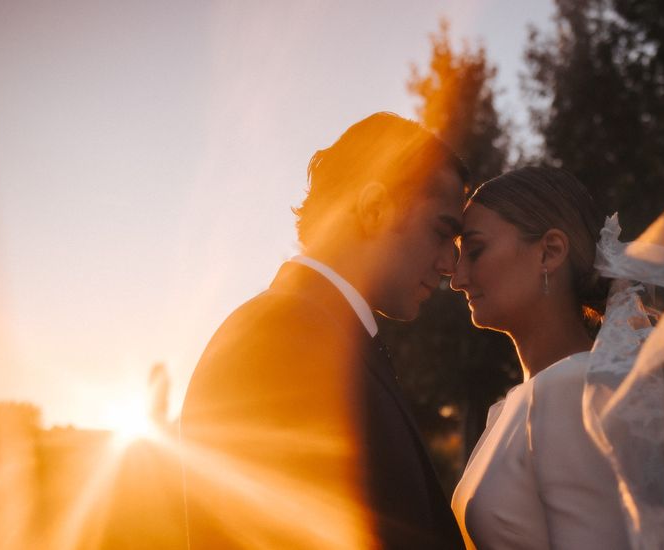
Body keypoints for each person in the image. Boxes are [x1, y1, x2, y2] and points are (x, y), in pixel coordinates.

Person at [180, 112, 468, 549]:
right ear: (373, 209)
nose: (450, 264)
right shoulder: (281, 337)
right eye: (441, 231)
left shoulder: (320, 333)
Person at [449, 166, 631, 550]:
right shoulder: (512, 407)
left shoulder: (575, 390)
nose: (457, 277)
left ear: (549, 252)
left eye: (476, 251)